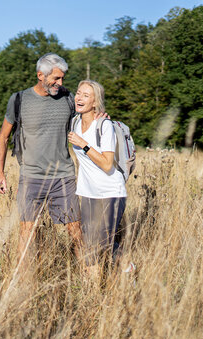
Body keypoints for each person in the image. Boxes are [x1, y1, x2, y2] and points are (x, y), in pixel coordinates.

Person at [0, 53, 83, 273]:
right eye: (56, 78)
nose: (60, 84)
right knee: (27, 232)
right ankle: (23, 282)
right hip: (31, 177)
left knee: (76, 231)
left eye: (62, 78)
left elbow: (88, 118)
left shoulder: (68, 99)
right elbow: (3, 137)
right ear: (40, 75)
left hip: (63, 176)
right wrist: (0, 173)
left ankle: (88, 279)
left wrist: (101, 117)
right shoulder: (19, 100)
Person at [67, 80, 127, 275]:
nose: (79, 97)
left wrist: (83, 144)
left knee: (101, 244)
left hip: (110, 192)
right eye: (78, 93)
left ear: (95, 102)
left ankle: (127, 270)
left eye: (86, 95)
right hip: (88, 193)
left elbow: (107, 163)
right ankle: (93, 295)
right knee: (94, 244)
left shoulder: (104, 125)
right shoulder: (74, 122)